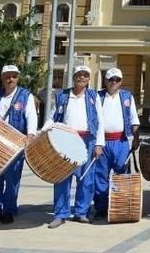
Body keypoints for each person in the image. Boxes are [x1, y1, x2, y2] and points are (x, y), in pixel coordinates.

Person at [0, 65, 38, 226]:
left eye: (14, 76)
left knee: (12, 180)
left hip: (15, 143)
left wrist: (30, 135)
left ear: (18, 78)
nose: (11, 79)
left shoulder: (25, 96)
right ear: (2, 78)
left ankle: (8, 211)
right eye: (7, 76)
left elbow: (32, 116)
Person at [45, 65, 104, 228]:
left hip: (88, 140)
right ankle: (60, 214)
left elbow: (100, 121)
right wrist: (43, 131)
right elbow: (52, 117)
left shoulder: (94, 96)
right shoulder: (62, 96)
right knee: (62, 178)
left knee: (86, 178)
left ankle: (81, 212)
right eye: (79, 75)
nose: (82, 78)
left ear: (89, 79)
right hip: (65, 139)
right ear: (73, 77)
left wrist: (99, 143)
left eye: (85, 75)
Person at [94, 68, 140, 220]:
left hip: (121, 142)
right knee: (100, 176)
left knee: (122, 175)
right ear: (105, 80)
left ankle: (120, 204)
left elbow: (134, 119)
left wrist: (136, 138)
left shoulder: (127, 96)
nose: (114, 82)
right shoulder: (97, 96)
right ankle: (101, 207)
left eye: (117, 80)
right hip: (102, 142)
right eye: (111, 79)